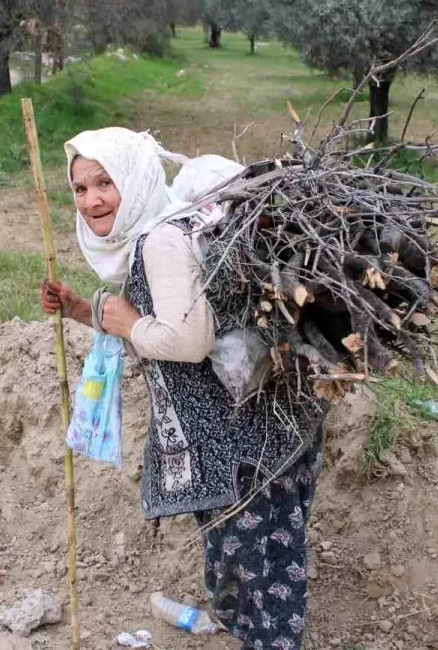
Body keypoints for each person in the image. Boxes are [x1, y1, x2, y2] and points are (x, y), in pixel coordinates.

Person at [40, 127, 327, 650]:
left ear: (136, 177)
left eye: (105, 182)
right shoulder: (175, 222)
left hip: (237, 442)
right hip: (269, 423)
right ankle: (249, 628)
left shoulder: (160, 240)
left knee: (254, 571)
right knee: (263, 557)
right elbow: (168, 319)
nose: (92, 200)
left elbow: (186, 340)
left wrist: (125, 323)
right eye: (79, 189)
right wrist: (89, 312)